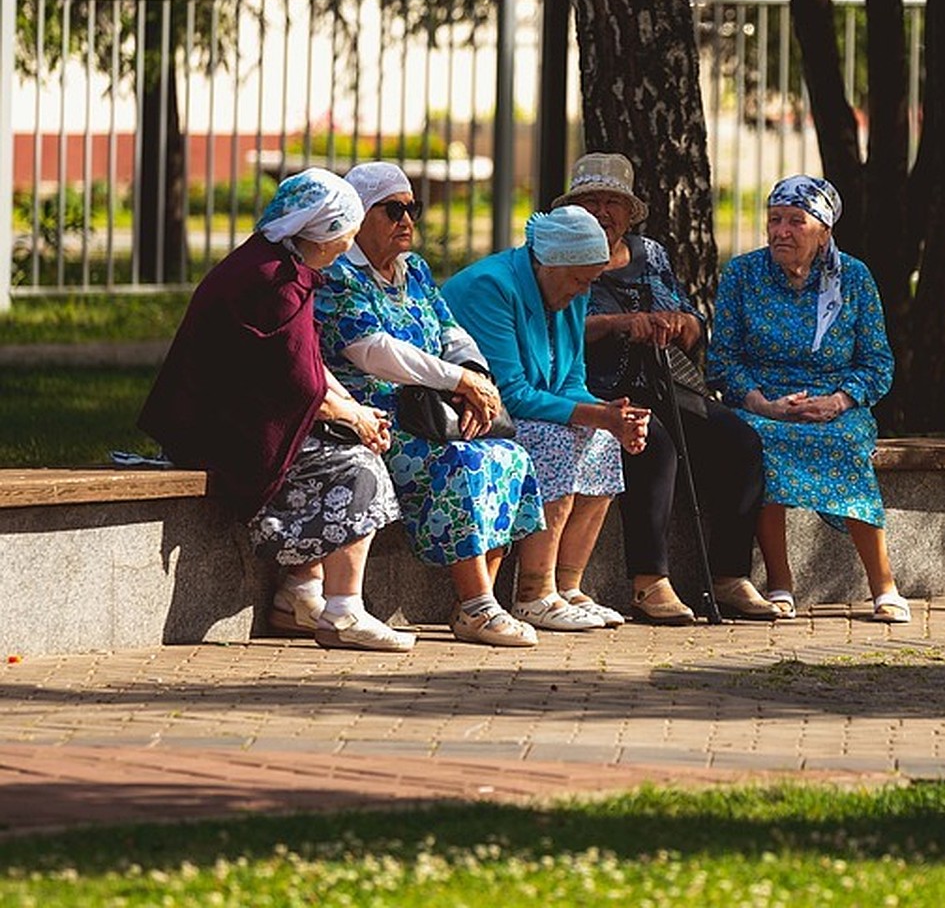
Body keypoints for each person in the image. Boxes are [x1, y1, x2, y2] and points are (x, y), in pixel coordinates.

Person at [138, 167, 414, 653]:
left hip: (233, 418)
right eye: (344, 236)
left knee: (349, 442)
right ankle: (343, 613)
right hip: (217, 433)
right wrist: (357, 419)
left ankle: (301, 595)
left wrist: (353, 407)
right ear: (325, 232)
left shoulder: (277, 263)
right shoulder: (273, 281)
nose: (345, 248)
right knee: (359, 466)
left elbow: (303, 356)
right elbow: (298, 383)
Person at [313, 162, 545, 648]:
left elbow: (450, 331)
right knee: (458, 463)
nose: (406, 220)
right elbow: (372, 351)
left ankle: (478, 605)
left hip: (435, 409)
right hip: (377, 415)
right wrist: (457, 379)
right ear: (359, 216)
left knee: (509, 456)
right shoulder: (337, 273)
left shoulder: (413, 270)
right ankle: (478, 605)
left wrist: (477, 379)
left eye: (411, 209)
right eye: (392, 209)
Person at [554, 152, 780, 623]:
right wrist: (619, 324)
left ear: (628, 211)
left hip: (663, 380)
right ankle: (649, 582)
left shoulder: (649, 253)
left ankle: (730, 577)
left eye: (612, 202)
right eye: (591, 201)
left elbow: (692, 322)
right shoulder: (559, 254)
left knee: (740, 440)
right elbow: (554, 327)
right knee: (652, 442)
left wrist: (681, 324)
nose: (603, 212)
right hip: (593, 386)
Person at [707, 174, 910, 624]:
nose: (781, 231)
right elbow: (722, 360)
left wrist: (839, 401)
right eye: (775, 219)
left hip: (834, 403)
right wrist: (761, 403)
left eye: (796, 221)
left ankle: (884, 585)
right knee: (757, 442)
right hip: (764, 403)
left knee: (845, 442)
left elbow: (878, 362)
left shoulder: (854, 278)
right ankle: (780, 583)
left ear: (824, 232)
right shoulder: (742, 274)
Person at [443, 206, 651, 631]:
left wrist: (612, 416)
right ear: (550, 264)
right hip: (471, 414)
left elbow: (571, 379)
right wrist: (596, 414)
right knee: (554, 441)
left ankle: (566, 587)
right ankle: (533, 593)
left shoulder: (571, 289)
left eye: (589, 282)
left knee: (602, 440)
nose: (582, 292)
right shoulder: (493, 286)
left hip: (524, 409)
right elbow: (511, 394)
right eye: (578, 280)